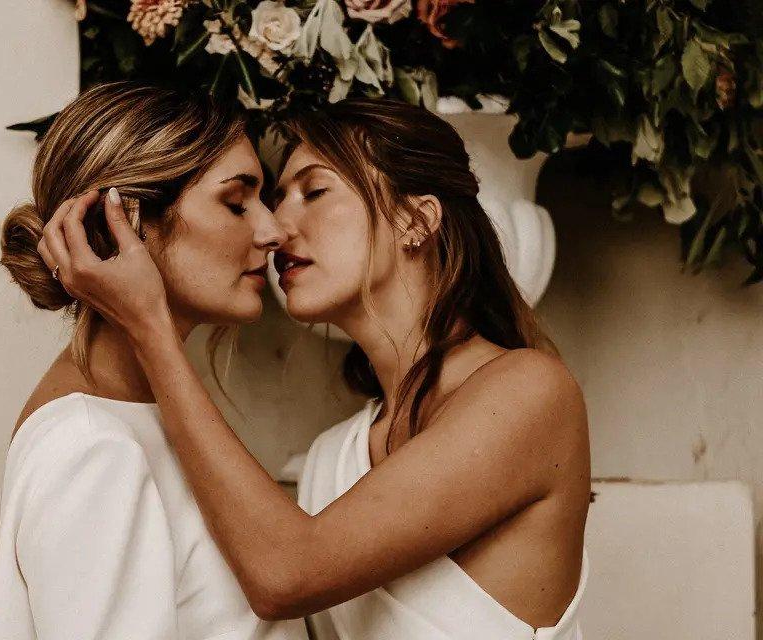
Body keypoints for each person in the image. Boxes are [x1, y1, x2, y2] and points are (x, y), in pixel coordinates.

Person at [41, 97, 591, 640]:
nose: (277, 229)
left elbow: (286, 575)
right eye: (273, 200)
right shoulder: (332, 457)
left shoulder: (531, 392)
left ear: (416, 220)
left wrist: (151, 330)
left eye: (314, 191)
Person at [0, 82, 308, 640]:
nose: (272, 230)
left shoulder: (143, 415)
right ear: (124, 222)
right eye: (236, 203)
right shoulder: (91, 447)